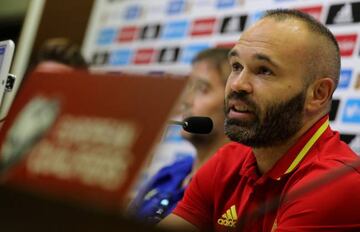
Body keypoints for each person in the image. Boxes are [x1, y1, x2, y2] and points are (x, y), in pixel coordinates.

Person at [159, 9, 360, 231]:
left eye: (264, 71)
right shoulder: (227, 161)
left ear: (318, 94)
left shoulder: (333, 182)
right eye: (236, 67)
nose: (237, 84)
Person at [128, 48, 230, 223]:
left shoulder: (234, 188)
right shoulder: (172, 172)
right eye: (188, 87)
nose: (186, 101)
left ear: (235, 104)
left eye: (201, 88)